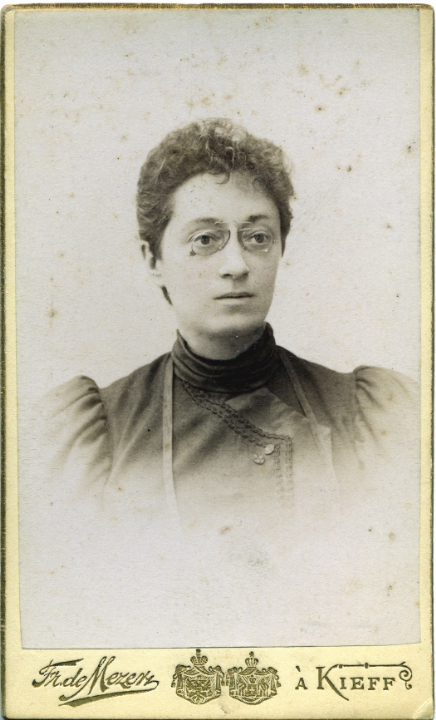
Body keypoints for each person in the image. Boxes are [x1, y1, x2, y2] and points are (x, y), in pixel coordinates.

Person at [22, 118, 420, 649]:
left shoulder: (373, 416)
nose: (236, 264)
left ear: (279, 250)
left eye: (257, 238)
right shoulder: (93, 434)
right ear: (153, 260)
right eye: (206, 240)